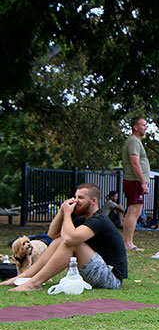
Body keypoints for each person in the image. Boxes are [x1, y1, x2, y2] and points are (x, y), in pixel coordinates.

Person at [2, 183, 127, 291]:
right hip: (97, 270)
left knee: (72, 243)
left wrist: (67, 213)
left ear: (93, 201)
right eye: (76, 197)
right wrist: (62, 211)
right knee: (60, 240)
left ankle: (35, 283)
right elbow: (52, 234)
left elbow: (70, 239)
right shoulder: (83, 219)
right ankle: (24, 278)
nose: (76, 201)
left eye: (81, 198)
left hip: (111, 278)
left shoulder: (99, 220)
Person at [122, 116, 150, 251]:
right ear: (135, 127)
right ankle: (127, 243)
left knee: (135, 211)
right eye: (143, 125)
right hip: (134, 181)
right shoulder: (133, 141)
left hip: (136, 181)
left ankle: (127, 242)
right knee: (134, 211)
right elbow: (134, 162)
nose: (145, 128)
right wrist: (143, 182)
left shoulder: (136, 142)